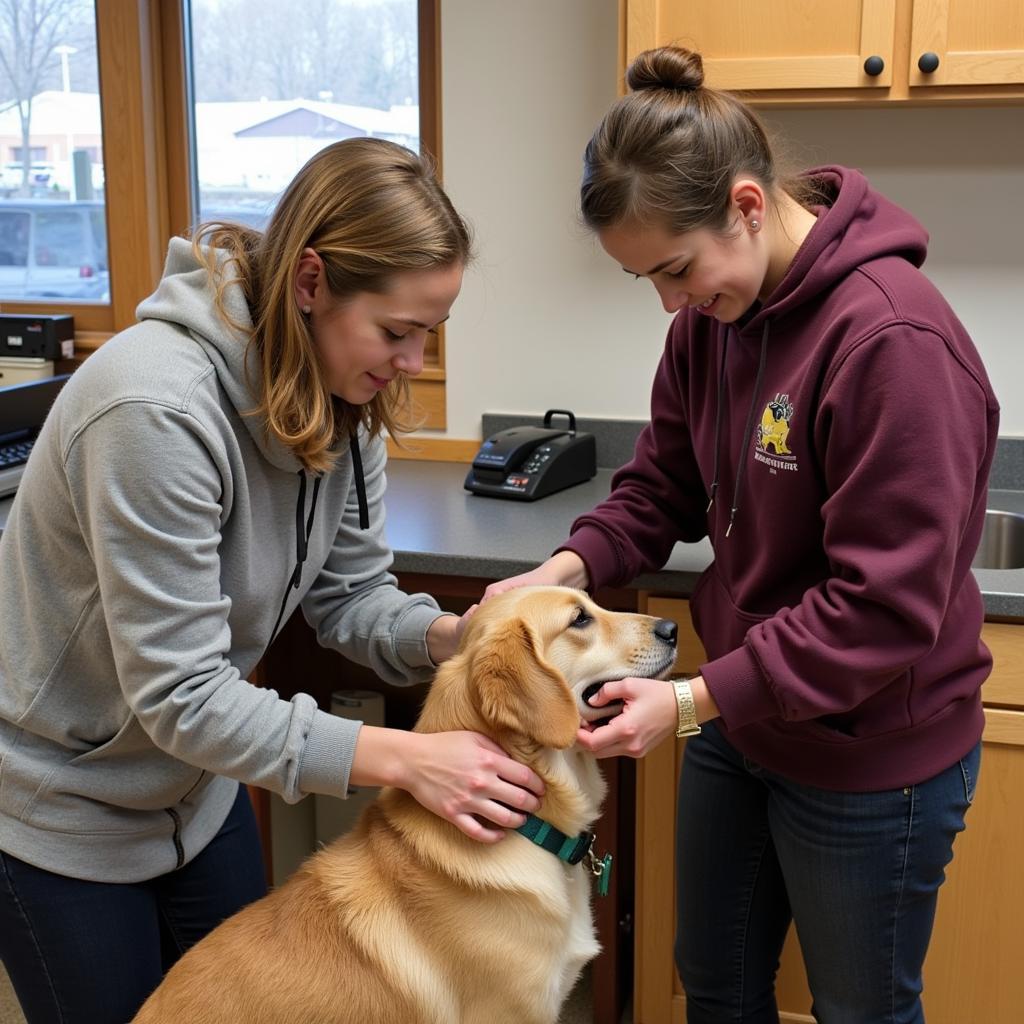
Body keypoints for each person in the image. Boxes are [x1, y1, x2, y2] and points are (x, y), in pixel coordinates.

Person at [487, 47, 999, 1024]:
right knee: (716, 987)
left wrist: (687, 700)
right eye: (645, 278)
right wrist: (560, 569)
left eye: (675, 268)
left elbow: (880, 609)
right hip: (741, 718)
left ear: (749, 205)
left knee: (861, 1011)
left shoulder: (891, 343)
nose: (669, 303)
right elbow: (659, 489)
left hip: (867, 751)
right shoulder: (711, 324)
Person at [0, 137, 544, 1024]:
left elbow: (350, 597)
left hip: (196, 795)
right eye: (396, 333)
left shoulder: (346, 399)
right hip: (64, 816)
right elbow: (181, 693)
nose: (412, 363)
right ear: (310, 283)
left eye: (430, 335)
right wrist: (407, 762)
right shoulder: (154, 410)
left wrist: (452, 635)